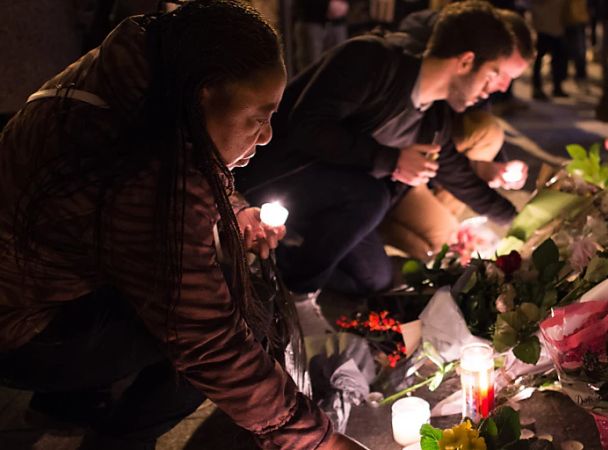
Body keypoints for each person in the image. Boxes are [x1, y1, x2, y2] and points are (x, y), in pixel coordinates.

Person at [0, 1, 363, 449]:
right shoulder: (142, 167)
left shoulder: (135, 74)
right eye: (258, 117)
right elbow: (208, 341)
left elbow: (187, 175)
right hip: (22, 330)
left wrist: (233, 208)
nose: (267, 135)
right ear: (204, 95)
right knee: (239, 312)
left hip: (43, 283)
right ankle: (120, 441)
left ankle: (68, 402)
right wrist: (318, 441)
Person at [234, 0, 518, 298]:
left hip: (340, 200)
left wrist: (518, 221)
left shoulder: (434, 116)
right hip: (279, 177)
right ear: (464, 62)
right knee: (371, 196)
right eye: (492, 74)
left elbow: (456, 173)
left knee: (374, 281)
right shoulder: (371, 59)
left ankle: (279, 266)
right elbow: (307, 126)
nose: (494, 88)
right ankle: (300, 292)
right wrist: (392, 160)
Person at [382, 7, 534, 260]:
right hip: (386, 179)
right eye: (500, 73)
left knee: (452, 246)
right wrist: (390, 160)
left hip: (423, 165)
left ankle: (431, 218)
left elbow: (449, 158)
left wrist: (494, 169)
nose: (504, 85)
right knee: (442, 248)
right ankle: (377, 229)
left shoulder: (451, 98)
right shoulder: (418, 77)